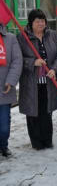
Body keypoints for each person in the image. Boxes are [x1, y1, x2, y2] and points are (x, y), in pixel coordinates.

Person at [17, 9, 57, 150]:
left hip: (48, 82)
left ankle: (47, 140)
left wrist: (54, 69)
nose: (40, 23)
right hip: (31, 83)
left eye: (42, 20)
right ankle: (37, 143)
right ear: (31, 23)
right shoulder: (22, 38)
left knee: (46, 112)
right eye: (37, 21)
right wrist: (32, 62)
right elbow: (17, 59)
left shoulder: (52, 35)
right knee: (33, 113)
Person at [0, 23, 23, 157]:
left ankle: (3, 145)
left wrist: (11, 81)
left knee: (3, 124)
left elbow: (17, 61)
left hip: (4, 87)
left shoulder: (10, 38)